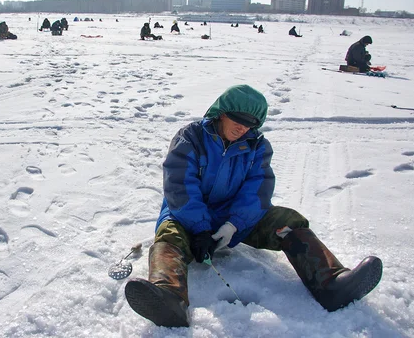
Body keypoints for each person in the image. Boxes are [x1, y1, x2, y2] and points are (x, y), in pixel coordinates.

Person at [124, 85, 383, 328]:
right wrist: (200, 229)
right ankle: (169, 298)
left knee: (288, 221)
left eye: (251, 124)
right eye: (238, 120)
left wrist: (233, 225)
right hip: (186, 214)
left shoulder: (258, 147)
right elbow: (179, 184)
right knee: (169, 236)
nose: (243, 128)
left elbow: (257, 191)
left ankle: (330, 282)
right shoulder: (191, 137)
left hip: (234, 218)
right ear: (221, 113)